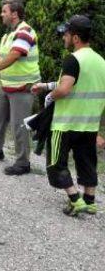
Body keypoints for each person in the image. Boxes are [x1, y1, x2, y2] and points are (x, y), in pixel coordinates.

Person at [31, 15, 105, 216]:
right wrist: (46, 85)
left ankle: (74, 199)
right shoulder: (100, 61)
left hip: (65, 123)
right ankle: (89, 201)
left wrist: (49, 97)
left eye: (66, 33)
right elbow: (79, 85)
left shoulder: (73, 59)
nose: (63, 37)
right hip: (88, 125)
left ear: (75, 38)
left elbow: (64, 89)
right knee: (87, 163)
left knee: (55, 164)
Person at [0, 0, 41, 175]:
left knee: (19, 125)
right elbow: (0, 54)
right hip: (7, 86)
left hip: (22, 87)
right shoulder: (8, 35)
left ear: (15, 14)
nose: (1, 14)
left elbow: (15, 55)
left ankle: (23, 163)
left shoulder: (25, 32)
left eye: (4, 11)